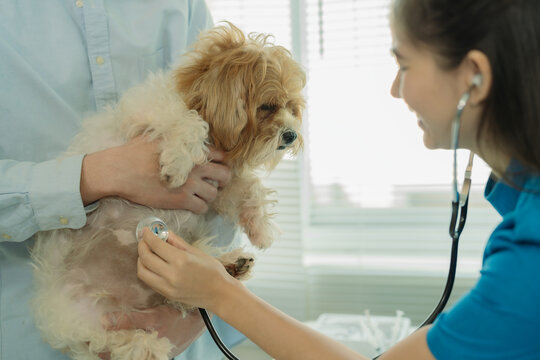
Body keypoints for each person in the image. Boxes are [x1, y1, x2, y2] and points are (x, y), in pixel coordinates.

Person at [135, 0, 540, 359]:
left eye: (404, 64)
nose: (395, 89)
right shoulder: (521, 201)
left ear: (474, 76)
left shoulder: (530, 255)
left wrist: (220, 293)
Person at [0, 0, 245, 359]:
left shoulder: (186, 6)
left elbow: (230, 155)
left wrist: (196, 316)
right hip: (32, 335)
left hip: (177, 339)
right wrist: (102, 174)